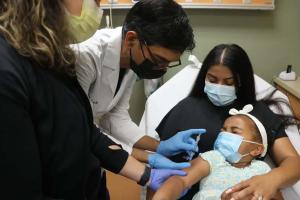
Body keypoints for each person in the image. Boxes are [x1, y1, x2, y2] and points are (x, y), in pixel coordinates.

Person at [0, 0, 191, 199]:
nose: (95, 7)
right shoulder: (12, 71)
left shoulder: (51, 57)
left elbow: (88, 129)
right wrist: (148, 157)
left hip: (88, 182)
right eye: (94, 1)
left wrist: (147, 172)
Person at [156, 44, 300, 200]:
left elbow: (292, 161)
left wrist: (272, 179)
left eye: (228, 82)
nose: (219, 87)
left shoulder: (258, 112)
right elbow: (161, 166)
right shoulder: (186, 109)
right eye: (212, 79)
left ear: (240, 82)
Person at [72, 0, 204, 170]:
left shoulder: (133, 57)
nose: (161, 68)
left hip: (92, 157)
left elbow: (115, 116)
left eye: (168, 63)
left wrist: (159, 146)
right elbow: (84, 130)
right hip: (70, 153)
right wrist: (148, 158)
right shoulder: (85, 56)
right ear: (131, 39)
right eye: (159, 60)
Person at [152, 104, 286, 200]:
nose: (224, 135)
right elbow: (181, 179)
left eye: (234, 132)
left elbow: (275, 195)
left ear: (257, 149)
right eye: (223, 130)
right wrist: (164, 195)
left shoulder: (262, 169)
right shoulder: (214, 158)